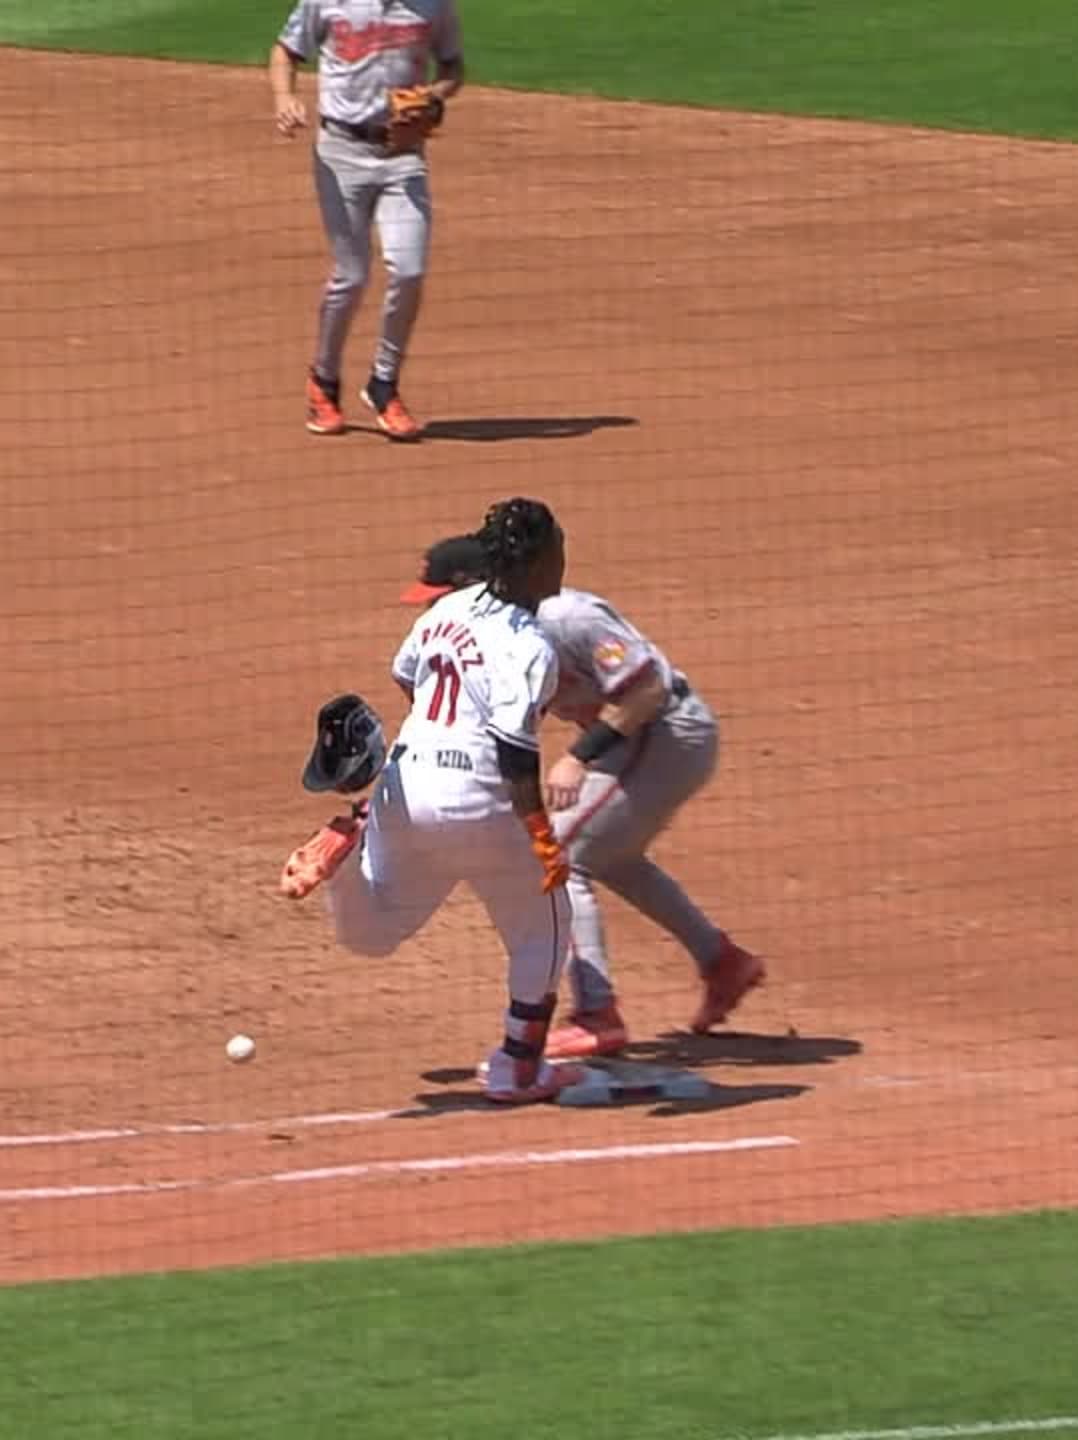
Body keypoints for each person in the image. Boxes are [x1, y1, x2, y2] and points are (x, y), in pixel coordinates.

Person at [397, 534, 769, 1058]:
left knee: (560, 858)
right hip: (628, 743)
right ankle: (722, 962)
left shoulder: (569, 617)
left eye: (440, 600)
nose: (433, 613)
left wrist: (579, 757)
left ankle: (598, 1016)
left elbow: (647, 691)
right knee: (610, 858)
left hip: (668, 732)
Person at [279, 500, 587, 1104]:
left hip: (406, 786)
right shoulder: (530, 645)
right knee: (546, 921)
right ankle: (518, 1068)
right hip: (481, 802)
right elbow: (515, 753)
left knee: (374, 933)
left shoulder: (449, 608)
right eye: (558, 550)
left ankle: (346, 865)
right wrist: (542, 836)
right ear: (537, 565)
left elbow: (407, 675)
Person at [268, 0, 466, 441]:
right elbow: (285, 51)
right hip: (340, 154)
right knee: (352, 275)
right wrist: (284, 97)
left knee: (409, 270)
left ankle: (384, 383)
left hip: (404, 155)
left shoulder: (433, 5)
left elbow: (453, 65)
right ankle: (324, 380)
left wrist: (434, 95)